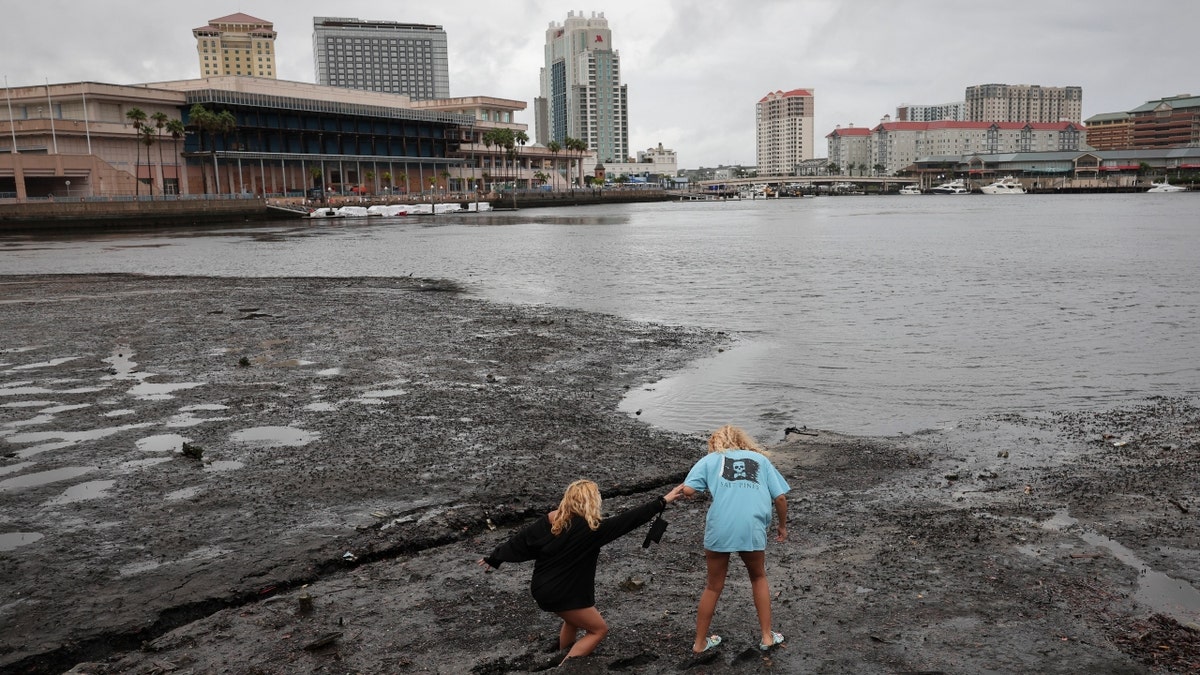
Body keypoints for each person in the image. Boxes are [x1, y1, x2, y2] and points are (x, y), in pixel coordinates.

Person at [479, 479, 685, 663]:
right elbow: (630, 519)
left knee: (572, 621)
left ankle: (564, 651)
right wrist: (663, 500)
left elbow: (521, 541)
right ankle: (564, 666)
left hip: (542, 588)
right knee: (598, 630)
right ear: (591, 502)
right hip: (563, 592)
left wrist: (495, 558)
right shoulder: (593, 529)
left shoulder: (552, 520)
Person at [680, 425, 790, 654]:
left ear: (715, 443)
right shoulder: (760, 460)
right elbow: (780, 497)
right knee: (758, 577)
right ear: (742, 441)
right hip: (751, 526)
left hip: (720, 526)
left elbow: (689, 490)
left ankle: (699, 643)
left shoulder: (711, 460)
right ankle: (767, 637)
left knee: (713, 586)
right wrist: (781, 526)